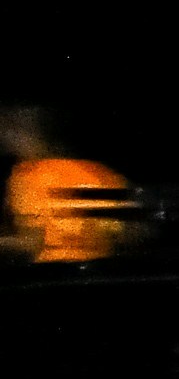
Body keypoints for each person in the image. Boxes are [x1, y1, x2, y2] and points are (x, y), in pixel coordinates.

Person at [0, 106, 135, 264]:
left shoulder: (29, 176)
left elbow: (32, 244)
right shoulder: (102, 174)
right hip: (100, 274)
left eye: (7, 128)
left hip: (53, 274)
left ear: (21, 133)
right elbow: (132, 233)